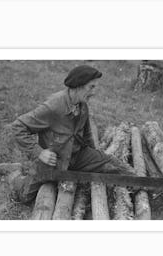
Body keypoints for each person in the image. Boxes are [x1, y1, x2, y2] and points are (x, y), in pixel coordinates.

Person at [10, 65, 134, 204]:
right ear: (78, 86)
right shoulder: (53, 107)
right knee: (24, 197)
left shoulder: (83, 105)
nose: (94, 92)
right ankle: (14, 172)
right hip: (53, 163)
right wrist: (39, 153)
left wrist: (94, 155)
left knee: (114, 165)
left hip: (77, 156)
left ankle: (144, 186)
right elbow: (18, 126)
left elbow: (86, 133)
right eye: (91, 87)